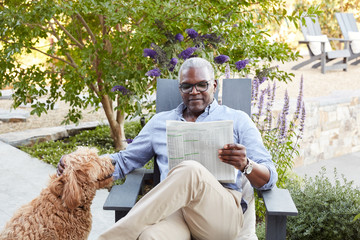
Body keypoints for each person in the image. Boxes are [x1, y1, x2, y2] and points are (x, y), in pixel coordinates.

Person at [59, 57, 277, 240]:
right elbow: (125, 160)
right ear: (179, 88)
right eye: (187, 86)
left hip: (220, 217)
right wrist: (80, 166)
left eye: (202, 84)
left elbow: (269, 178)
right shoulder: (160, 123)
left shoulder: (237, 120)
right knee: (150, 237)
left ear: (214, 85)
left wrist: (246, 165)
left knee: (190, 169)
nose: (194, 91)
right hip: (174, 213)